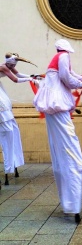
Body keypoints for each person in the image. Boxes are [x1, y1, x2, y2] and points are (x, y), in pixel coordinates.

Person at [33, 39, 82, 223]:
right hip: (58, 107)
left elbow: (71, 74)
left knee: (63, 156)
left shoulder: (59, 57)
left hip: (55, 108)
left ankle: (70, 204)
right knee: (75, 161)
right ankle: (72, 204)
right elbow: (67, 78)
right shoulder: (63, 56)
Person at [0, 52, 36, 187]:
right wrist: (31, 80)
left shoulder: (10, 66)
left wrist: (33, 76)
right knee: (4, 109)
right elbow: (15, 80)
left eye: (14, 65)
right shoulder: (4, 67)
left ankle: (13, 164)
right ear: (7, 62)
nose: (12, 67)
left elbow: (19, 75)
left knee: (10, 120)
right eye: (11, 65)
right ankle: (9, 166)